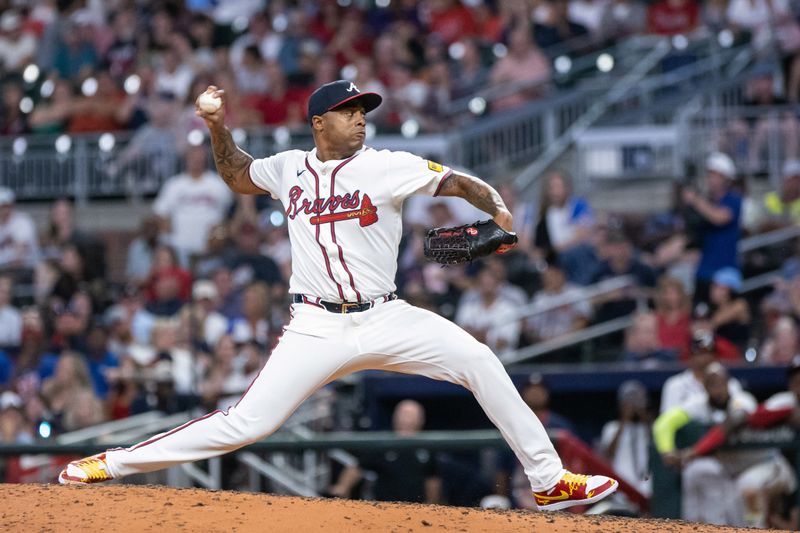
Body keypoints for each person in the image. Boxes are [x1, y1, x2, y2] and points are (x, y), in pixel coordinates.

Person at [60, 80, 617, 511]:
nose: (361, 120)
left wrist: (495, 210)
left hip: (386, 314)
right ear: (319, 122)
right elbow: (236, 175)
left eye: (364, 112)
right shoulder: (287, 169)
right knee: (247, 424)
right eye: (351, 112)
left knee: (479, 360)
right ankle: (110, 463)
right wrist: (216, 125)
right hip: (315, 326)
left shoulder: (388, 166)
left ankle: (547, 482)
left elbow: (455, 181)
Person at [654, 363, 795, 526]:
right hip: (734, 473)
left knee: (749, 492)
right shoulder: (699, 405)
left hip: (766, 464)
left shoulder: (742, 400)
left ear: (729, 383)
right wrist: (666, 450)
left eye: (722, 383)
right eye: (712, 385)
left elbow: (730, 424)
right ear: (704, 388)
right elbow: (664, 423)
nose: (718, 389)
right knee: (734, 520)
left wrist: (692, 453)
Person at [328, 399, 443, 503]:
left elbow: (432, 480)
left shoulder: (427, 446)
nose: (406, 418)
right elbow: (358, 467)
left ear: (421, 419)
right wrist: (342, 486)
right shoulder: (384, 443)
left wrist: (432, 505)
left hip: (417, 508)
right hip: (385, 508)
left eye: (411, 414)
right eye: (403, 413)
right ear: (395, 416)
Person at [153, 144, 234, 266]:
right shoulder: (174, 184)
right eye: (193, 157)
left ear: (205, 160)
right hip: (179, 249)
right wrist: (169, 239)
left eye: (200, 157)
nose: (196, 161)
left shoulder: (218, 184)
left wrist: (219, 234)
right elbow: (160, 213)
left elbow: (227, 214)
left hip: (210, 251)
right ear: (186, 159)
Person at [683, 152, 742, 304]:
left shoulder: (733, 199)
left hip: (724, 271)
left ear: (726, 178)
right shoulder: (707, 201)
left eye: (715, 174)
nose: (710, 178)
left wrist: (695, 199)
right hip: (704, 271)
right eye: (709, 174)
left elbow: (719, 218)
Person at [599, 380, 652, 497]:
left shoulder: (648, 428)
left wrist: (643, 415)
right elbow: (607, 455)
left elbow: (656, 446)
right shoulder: (612, 427)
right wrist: (624, 420)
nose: (633, 406)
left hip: (645, 484)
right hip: (622, 484)